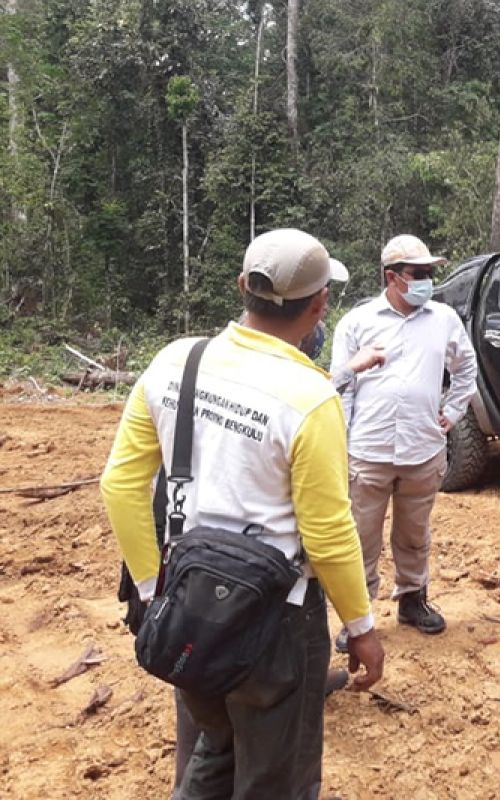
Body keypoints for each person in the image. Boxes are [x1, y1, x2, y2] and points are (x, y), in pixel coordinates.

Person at [101, 228, 385, 799]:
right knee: (275, 776)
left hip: (189, 599)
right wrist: (361, 627)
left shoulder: (177, 361)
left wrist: (155, 591)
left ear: (242, 287)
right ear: (321, 303)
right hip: (278, 618)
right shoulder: (311, 398)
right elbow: (328, 534)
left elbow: (121, 484)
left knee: (210, 744)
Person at [330, 234, 477, 643]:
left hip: (422, 449)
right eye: (419, 273)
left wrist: (450, 413)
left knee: (414, 532)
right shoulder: (357, 322)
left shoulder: (443, 319)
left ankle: (413, 600)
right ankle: (357, 618)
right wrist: (342, 442)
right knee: (361, 536)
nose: (427, 280)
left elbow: (466, 369)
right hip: (368, 450)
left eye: (430, 273)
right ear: (392, 277)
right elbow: (340, 385)